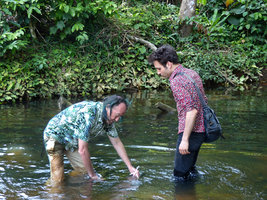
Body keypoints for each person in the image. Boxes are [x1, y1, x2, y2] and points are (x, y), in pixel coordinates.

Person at [43, 95, 139, 183]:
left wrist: (130, 167)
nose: (117, 119)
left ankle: (68, 185)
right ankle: (45, 192)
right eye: (117, 115)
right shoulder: (89, 113)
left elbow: (117, 143)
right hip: (55, 136)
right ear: (108, 107)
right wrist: (93, 176)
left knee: (84, 172)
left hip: (72, 140)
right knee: (57, 180)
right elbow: (82, 150)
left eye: (120, 117)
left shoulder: (109, 119)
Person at [148, 44, 207, 180]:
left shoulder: (176, 81)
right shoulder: (191, 73)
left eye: (159, 68)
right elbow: (203, 101)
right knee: (190, 170)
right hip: (201, 130)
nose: (158, 72)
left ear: (168, 64)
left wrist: (185, 140)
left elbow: (191, 111)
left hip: (191, 132)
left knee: (179, 175)